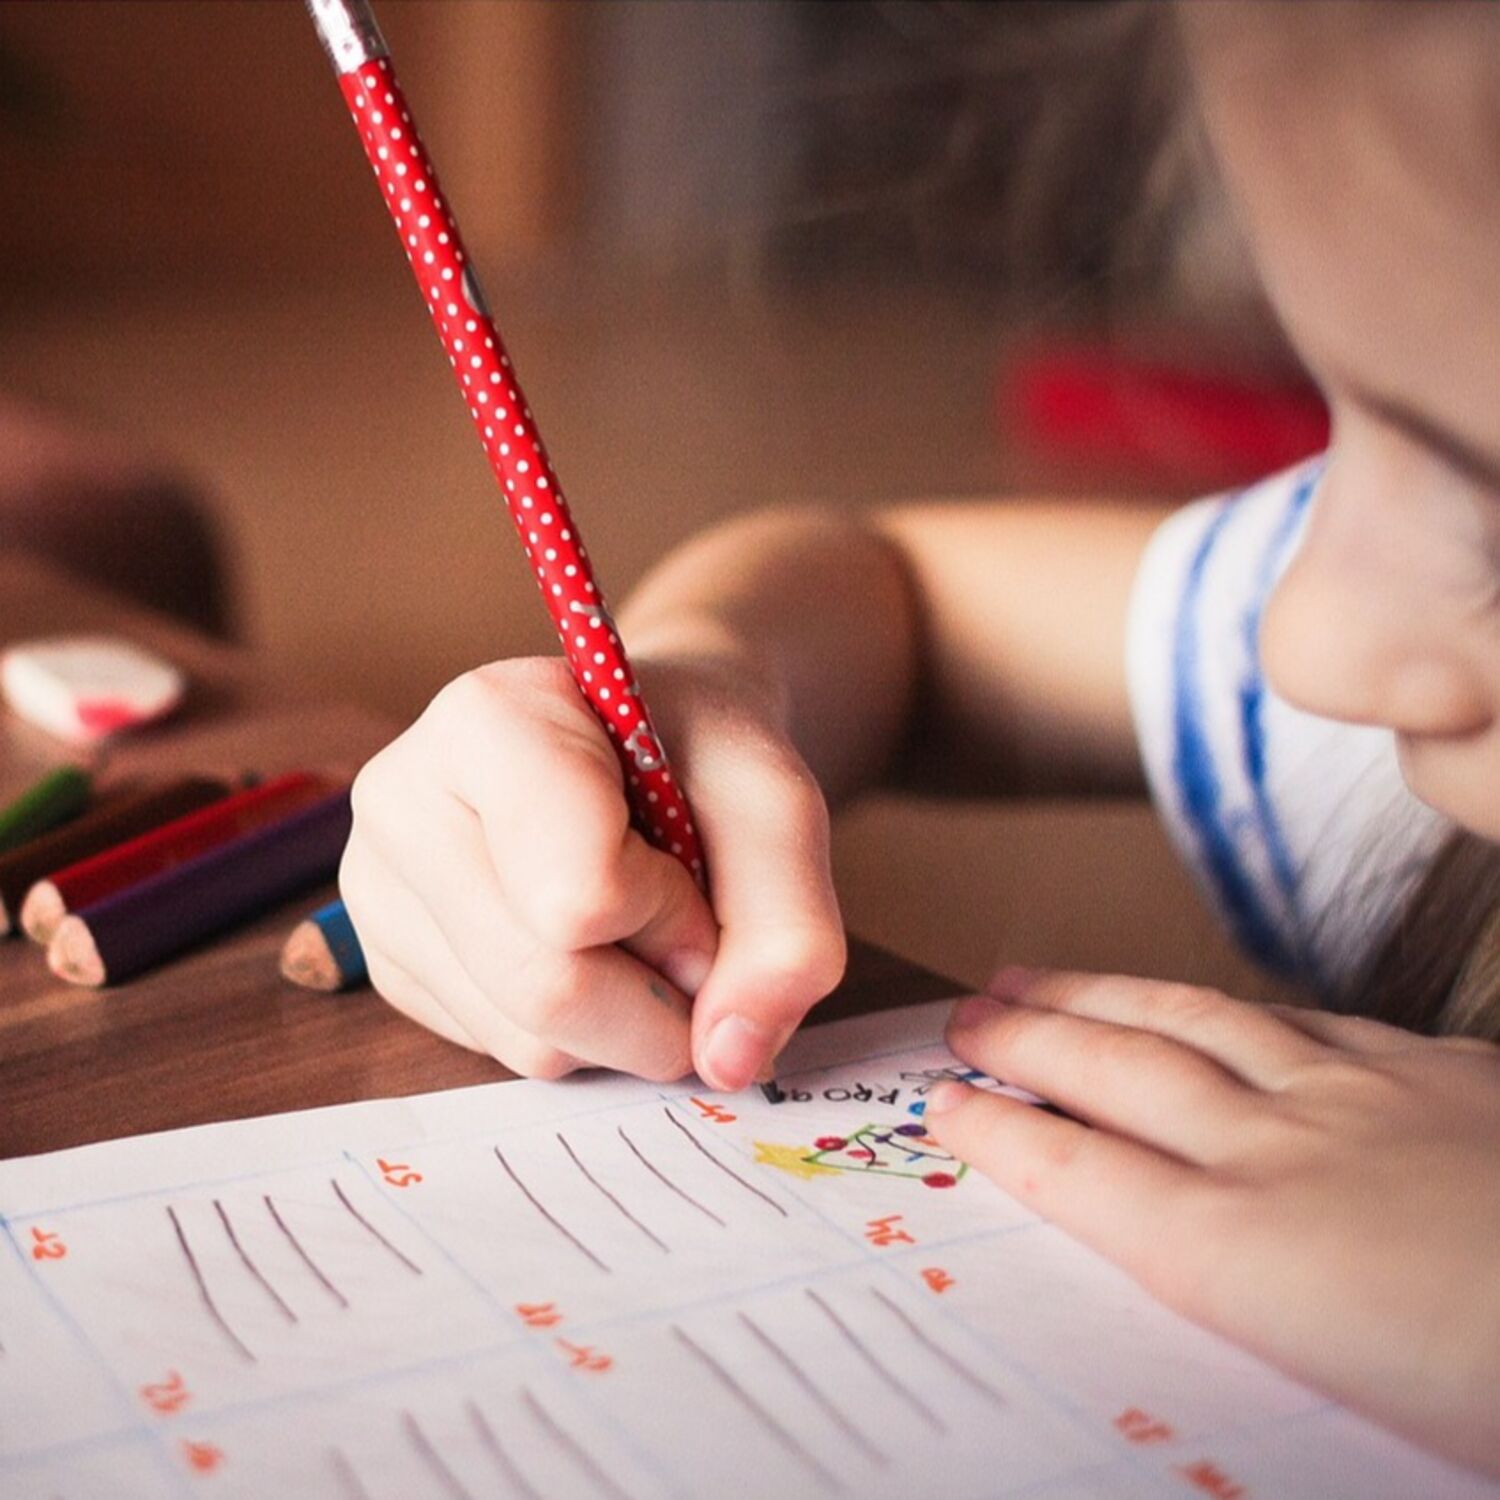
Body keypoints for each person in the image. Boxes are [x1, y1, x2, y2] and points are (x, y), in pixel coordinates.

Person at [339, 1, 1500, 1473]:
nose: (1300, 637)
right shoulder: (1400, 694)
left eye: (1486, 503)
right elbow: (899, 598)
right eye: (1337, 423)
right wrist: (709, 681)